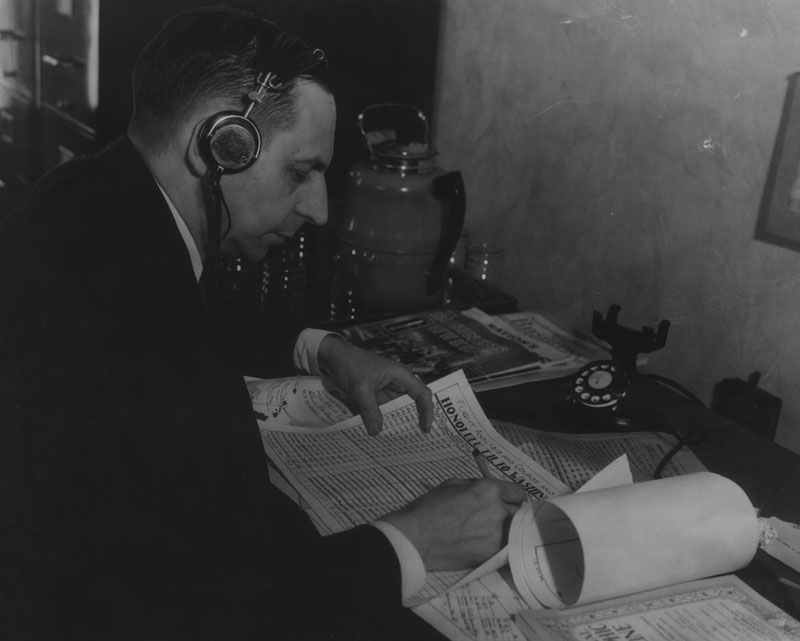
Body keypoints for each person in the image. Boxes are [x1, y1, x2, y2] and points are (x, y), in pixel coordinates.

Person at [0, 6, 526, 640]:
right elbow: (207, 610)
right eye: (300, 172)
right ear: (221, 144)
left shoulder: (97, 199)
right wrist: (412, 541)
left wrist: (320, 347)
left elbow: (199, 317)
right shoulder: (133, 322)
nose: (320, 209)